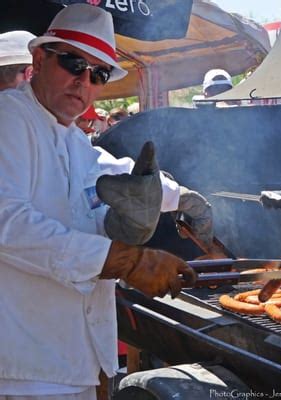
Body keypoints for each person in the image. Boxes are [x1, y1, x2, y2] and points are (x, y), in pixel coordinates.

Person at [0, 4, 201, 399]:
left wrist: (186, 198)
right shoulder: (9, 117)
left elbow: (118, 173)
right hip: (27, 366)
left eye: (98, 74)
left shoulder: (72, 136)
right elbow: (8, 221)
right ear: (38, 60)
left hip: (77, 360)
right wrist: (126, 260)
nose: (84, 81)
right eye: (74, 63)